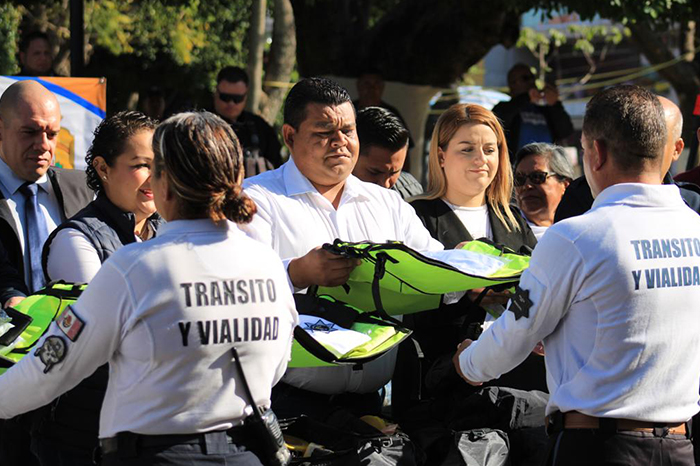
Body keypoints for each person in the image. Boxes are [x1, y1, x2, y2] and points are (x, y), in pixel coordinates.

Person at [0, 111, 298, 466]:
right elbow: (277, 365)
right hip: (247, 453)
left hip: (157, 455)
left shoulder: (134, 268)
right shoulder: (268, 263)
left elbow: (52, 367)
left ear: (164, 183)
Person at [455, 84, 700, 466]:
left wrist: (467, 363)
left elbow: (515, 333)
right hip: (680, 446)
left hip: (599, 447)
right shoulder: (695, 228)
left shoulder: (575, 237)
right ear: (667, 150)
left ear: (596, 152)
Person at [241, 76, 442, 420]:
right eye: (324, 132)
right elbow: (239, 288)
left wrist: (471, 270)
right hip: (287, 405)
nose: (340, 143)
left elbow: (435, 269)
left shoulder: (386, 203)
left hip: (370, 405)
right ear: (289, 136)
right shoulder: (257, 200)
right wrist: (296, 272)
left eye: (348, 131)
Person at [25, 111, 163, 466]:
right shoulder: (76, 240)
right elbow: (106, 336)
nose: (154, 177)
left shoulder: (172, 229)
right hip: (84, 434)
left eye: (160, 165)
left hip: (153, 429)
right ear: (103, 168)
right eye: (140, 165)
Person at [401, 103, 542, 406]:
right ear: (441, 156)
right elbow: (404, 299)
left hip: (512, 386)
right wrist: (461, 288)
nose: (481, 159)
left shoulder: (512, 219)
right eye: (467, 149)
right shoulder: (415, 216)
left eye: (490, 150)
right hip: (438, 385)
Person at [555, 96, 700, 221]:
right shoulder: (580, 196)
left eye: (657, 138)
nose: (646, 144)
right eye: (639, 134)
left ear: (677, 149)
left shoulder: (692, 202)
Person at [492, 64, 573, 159]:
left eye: (533, 77)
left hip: (547, 164)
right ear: (513, 83)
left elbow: (566, 132)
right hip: (517, 165)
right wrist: (526, 97)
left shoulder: (545, 110)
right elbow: (499, 121)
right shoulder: (504, 107)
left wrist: (555, 104)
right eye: (526, 78)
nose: (532, 81)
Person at [213, 66, 282, 173]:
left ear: (245, 96)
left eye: (237, 99)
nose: (231, 103)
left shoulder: (261, 128)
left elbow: (277, 168)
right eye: (225, 97)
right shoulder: (200, 125)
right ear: (216, 93)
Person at [353, 106, 423, 199]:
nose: (385, 184)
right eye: (375, 172)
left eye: (394, 173)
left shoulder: (413, 192)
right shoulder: (333, 200)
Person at [513, 143, 573, 240]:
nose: (527, 186)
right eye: (519, 179)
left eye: (537, 177)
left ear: (565, 185)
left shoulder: (580, 231)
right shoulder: (503, 231)